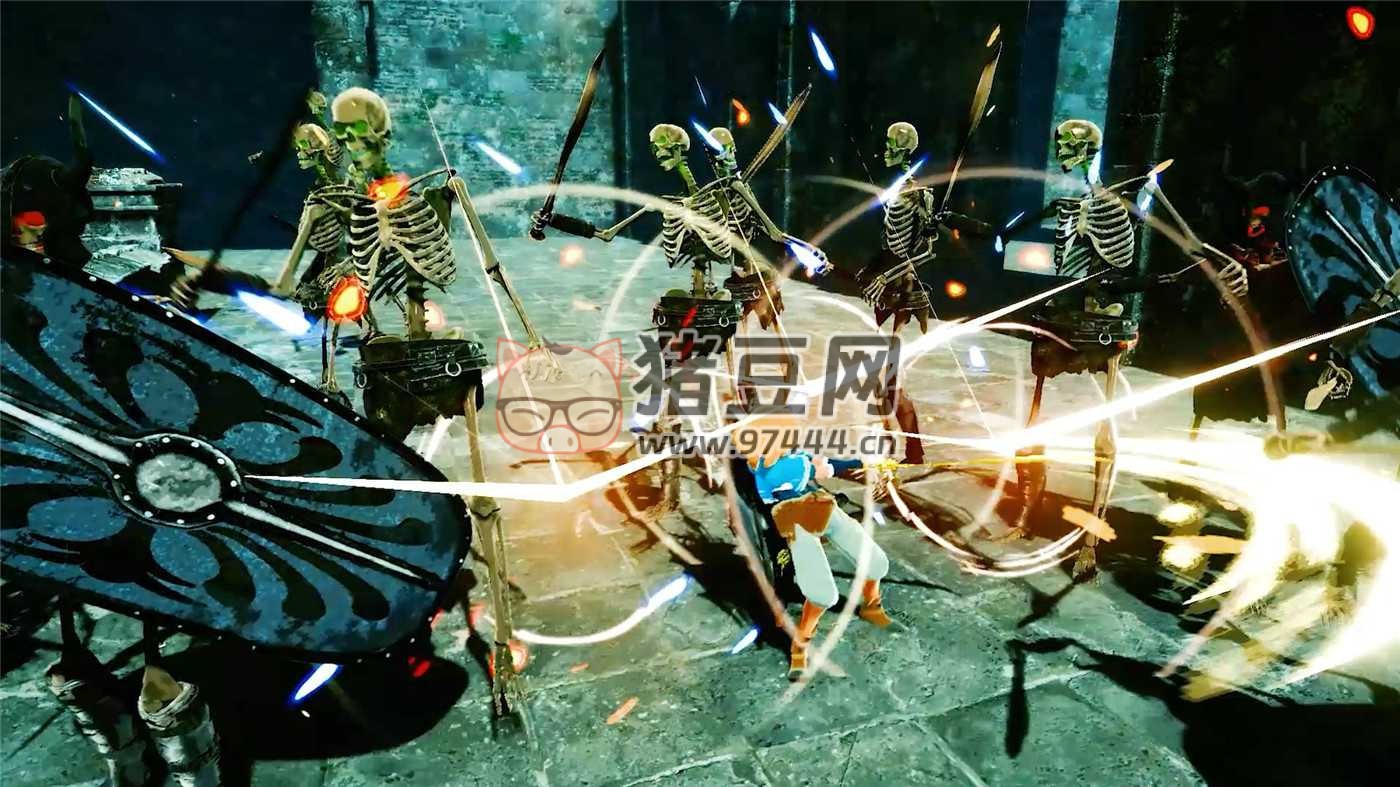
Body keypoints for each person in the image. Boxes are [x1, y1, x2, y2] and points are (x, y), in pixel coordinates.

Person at [740, 416, 892, 679]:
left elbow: (822, 463)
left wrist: (862, 461)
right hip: (791, 516)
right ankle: (800, 645)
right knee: (821, 593)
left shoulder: (791, 456)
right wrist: (849, 463)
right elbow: (818, 469)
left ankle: (872, 605)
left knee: (876, 562)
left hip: (818, 504)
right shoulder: (768, 467)